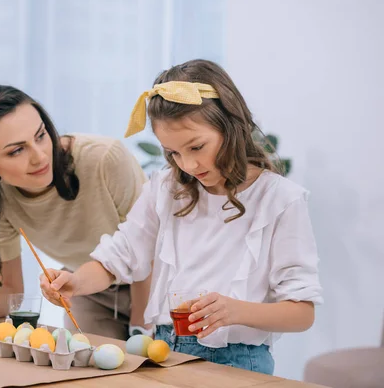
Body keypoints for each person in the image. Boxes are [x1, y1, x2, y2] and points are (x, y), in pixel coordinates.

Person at [39, 59, 323, 374]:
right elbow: (120, 255)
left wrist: (234, 311)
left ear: (231, 125)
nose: (188, 165)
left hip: (240, 363)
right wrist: (74, 283)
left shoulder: (281, 200)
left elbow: (302, 313)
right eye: (173, 153)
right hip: (164, 353)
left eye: (197, 147)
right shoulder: (166, 188)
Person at [0, 85, 154, 339]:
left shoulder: (105, 159)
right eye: (17, 150)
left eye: (40, 135)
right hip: (87, 289)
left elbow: (149, 246)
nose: (40, 157)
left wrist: (140, 325)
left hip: (153, 285)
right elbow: (9, 294)